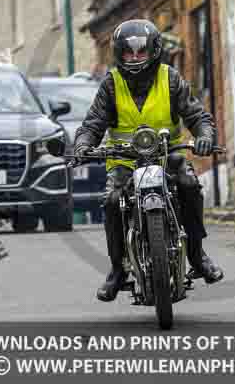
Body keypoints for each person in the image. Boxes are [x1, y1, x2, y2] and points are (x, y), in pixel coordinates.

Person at [74, 18, 224, 302]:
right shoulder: (111, 84)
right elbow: (92, 124)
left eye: (141, 51)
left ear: (154, 51)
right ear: (119, 53)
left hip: (167, 156)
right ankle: (118, 270)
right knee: (111, 200)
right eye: (128, 52)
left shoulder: (171, 78)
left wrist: (204, 136)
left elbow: (197, 116)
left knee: (190, 185)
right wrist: (83, 145)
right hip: (124, 162)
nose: (134, 57)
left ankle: (196, 255)